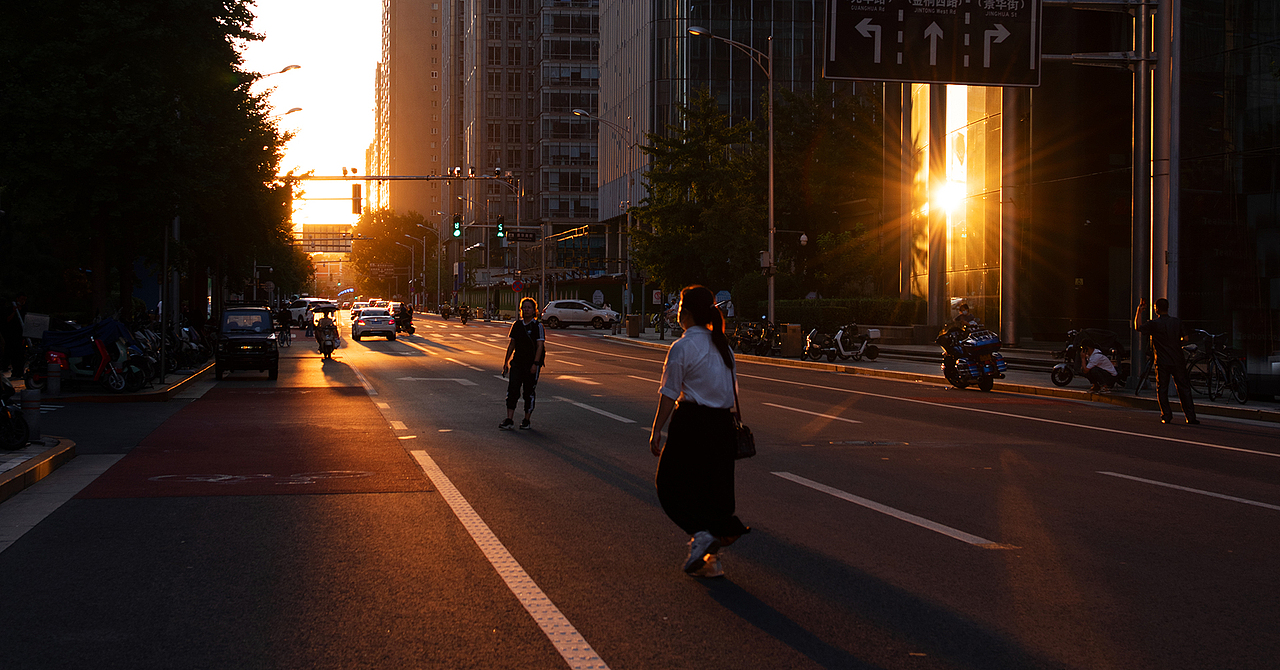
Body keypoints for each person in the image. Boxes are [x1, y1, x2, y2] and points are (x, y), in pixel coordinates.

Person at [649, 285, 750, 578]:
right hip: (722, 426)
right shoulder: (723, 346)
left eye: (679, 306)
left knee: (669, 485)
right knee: (711, 492)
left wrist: (657, 430)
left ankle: (700, 535)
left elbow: (669, 393)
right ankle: (711, 558)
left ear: (686, 313)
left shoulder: (682, 346)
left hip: (691, 423)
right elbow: (731, 391)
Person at [1135, 298, 1198, 425]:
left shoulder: (1154, 324)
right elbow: (1186, 338)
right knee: (1183, 388)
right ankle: (1190, 416)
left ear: (1156, 309)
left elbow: (1138, 327)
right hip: (1177, 359)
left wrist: (1139, 311)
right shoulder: (1177, 322)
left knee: (1162, 388)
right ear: (1168, 308)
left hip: (1162, 360)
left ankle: (1166, 415)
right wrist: (1175, 343)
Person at [500, 298, 545, 431]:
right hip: (517, 363)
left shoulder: (537, 326)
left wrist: (535, 364)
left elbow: (540, 346)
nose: (526, 310)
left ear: (534, 310)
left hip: (531, 364)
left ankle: (526, 419)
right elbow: (512, 344)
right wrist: (506, 362)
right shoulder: (517, 325)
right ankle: (509, 419)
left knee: (529, 392)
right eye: (524, 307)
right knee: (513, 389)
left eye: (529, 307)